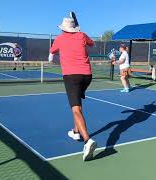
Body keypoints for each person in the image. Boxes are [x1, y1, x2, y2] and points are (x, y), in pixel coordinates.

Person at [49, 17, 97, 161]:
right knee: (78, 105)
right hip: (87, 76)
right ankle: (76, 131)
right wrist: (80, 35)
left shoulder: (59, 39)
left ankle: (88, 141)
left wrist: (59, 58)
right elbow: (92, 44)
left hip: (71, 77)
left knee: (75, 109)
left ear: (63, 28)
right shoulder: (82, 35)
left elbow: (51, 57)